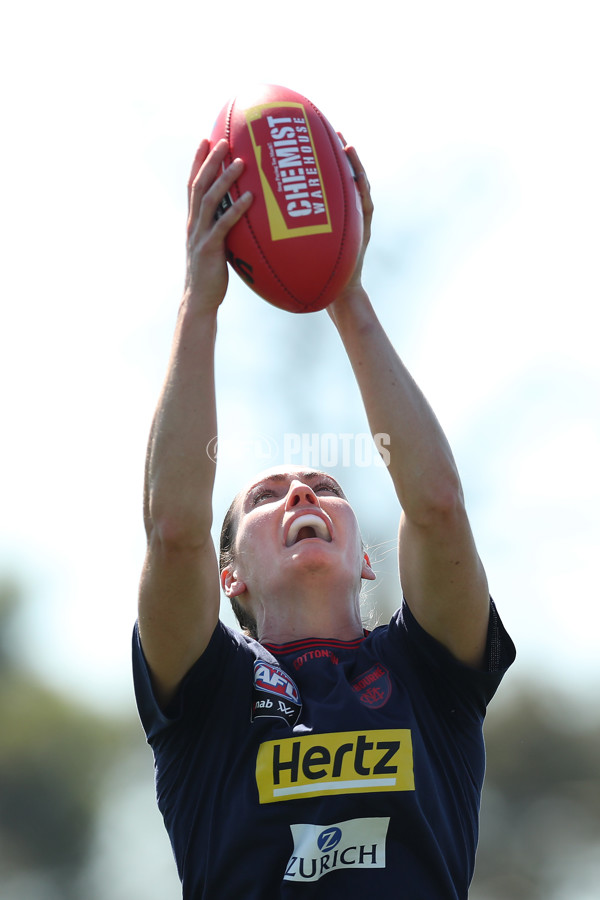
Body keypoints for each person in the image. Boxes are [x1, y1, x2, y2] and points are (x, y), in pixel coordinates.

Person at [132, 136, 515, 900]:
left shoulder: (426, 671)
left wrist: (346, 292)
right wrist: (197, 303)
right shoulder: (209, 693)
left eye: (321, 485)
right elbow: (173, 534)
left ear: (367, 557)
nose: (301, 495)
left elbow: (435, 506)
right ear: (228, 574)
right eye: (269, 495)